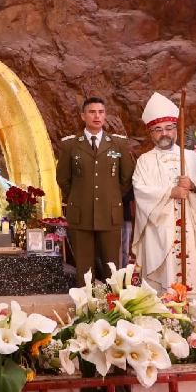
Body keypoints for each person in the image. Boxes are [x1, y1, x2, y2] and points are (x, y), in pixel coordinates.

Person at [132, 93, 196, 308]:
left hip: (190, 228)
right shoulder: (145, 161)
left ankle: (195, 330)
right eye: (158, 129)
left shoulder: (192, 158)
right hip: (159, 233)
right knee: (164, 288)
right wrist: (171, 192)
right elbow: (141, 191)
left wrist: (193, 186)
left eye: (169, 128)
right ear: (151, 133)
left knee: (192, 289)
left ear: (176, 129)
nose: (164, 134)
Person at [55, 97, 135, 279]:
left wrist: (111, 196)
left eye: (101, 112)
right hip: (81, 214)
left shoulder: (118, 144)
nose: (97, 116)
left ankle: (111, 305)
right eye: (92, 112)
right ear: (83, 116)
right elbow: (63, 179)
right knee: (84, 271)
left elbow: (126, 178)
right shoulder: (70, 144)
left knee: (112, 268)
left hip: (109, 213)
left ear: (105, 115)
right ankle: (85, 305)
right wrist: (80, 197)